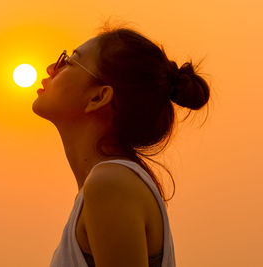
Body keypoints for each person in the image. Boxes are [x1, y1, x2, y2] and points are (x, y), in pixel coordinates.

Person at [32, 25, 210, 267]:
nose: (52, 68)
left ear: (98, 97)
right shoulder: (108, 184)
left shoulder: (110, 184)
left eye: (69, 62)